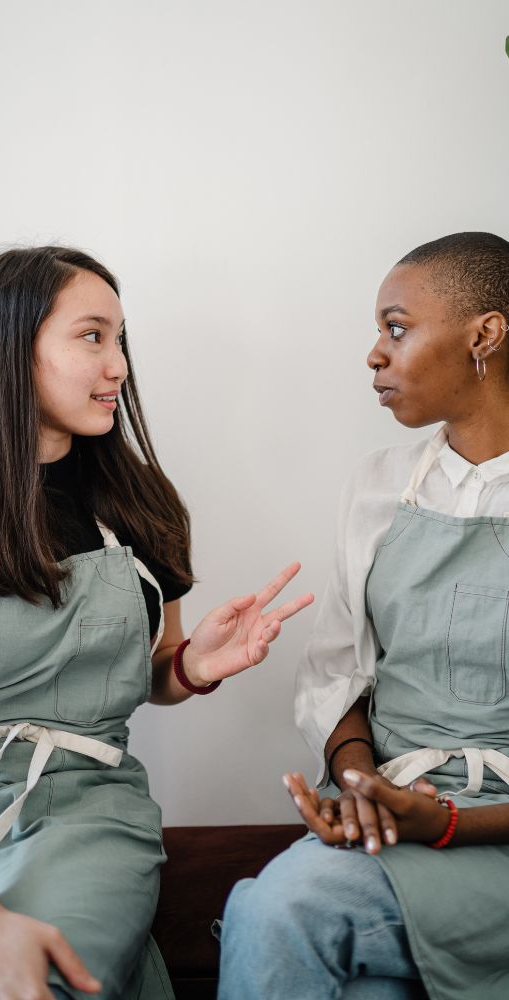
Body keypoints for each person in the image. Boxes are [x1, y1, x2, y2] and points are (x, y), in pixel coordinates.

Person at [0, 246, 314, 1000]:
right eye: (92, 337)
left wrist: (189, 668)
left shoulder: (141, 503)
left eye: (120, 340)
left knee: (44, 979)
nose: (117, 365)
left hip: (92, 807)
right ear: (10, 348)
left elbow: (148, 676)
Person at [218, 232, 509, 1000]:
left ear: (485, 334)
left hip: (486, 837)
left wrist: (441, 822)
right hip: (401, 815)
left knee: (279, 912)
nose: (374, 355)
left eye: (397, 327)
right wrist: (360, 786)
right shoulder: (378, 487)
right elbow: (337, 675)